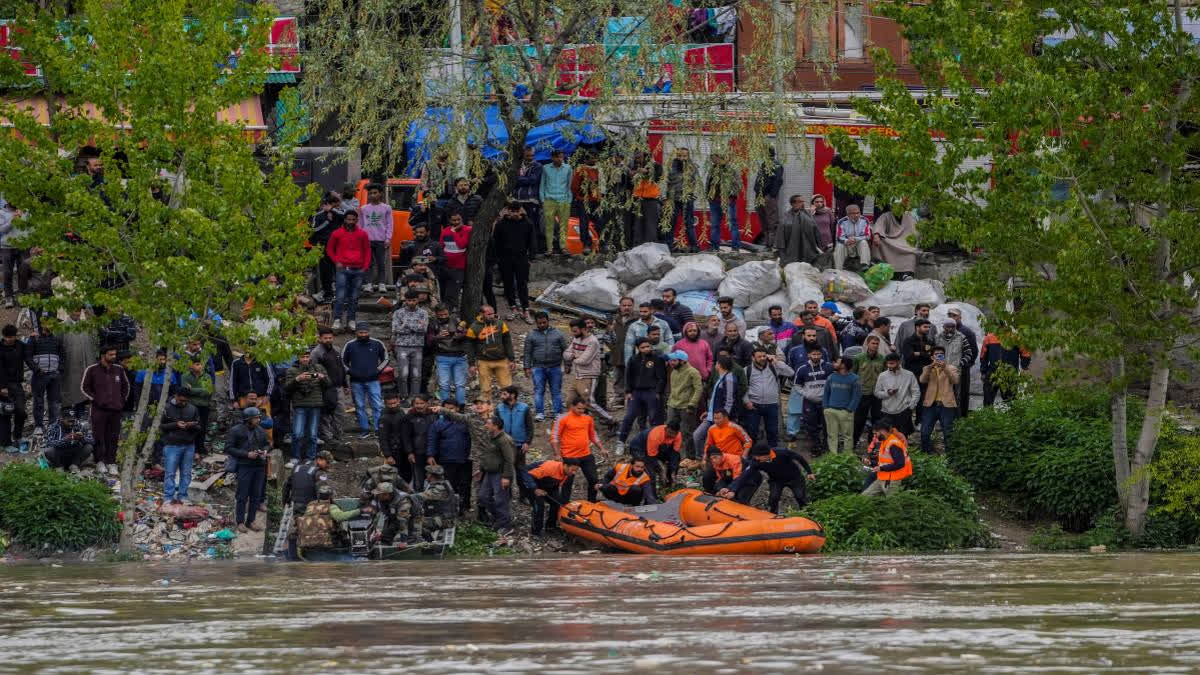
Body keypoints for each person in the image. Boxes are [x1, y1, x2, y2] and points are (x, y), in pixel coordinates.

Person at [722, 443, 814, 513]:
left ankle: (807, 513)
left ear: (766, 455)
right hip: (776, 480)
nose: (756, 459)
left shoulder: (782, 452)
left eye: (758, 457)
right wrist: (732, 489)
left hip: (794, 478)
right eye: (755, 457)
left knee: (800, 496)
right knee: (773, 498)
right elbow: (744, 476)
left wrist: (809, 472)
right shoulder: (756, 462)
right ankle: (773, 515)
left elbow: (799, 458)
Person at [81, 345, 129, 475]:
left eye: (115, 354)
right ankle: (100, 462)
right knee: (99, 436)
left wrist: (121, 401)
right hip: (99, 410)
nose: (114, 357)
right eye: (111, 355)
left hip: (116, 410)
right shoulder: (92, 370)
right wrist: (97, 400)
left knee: (113, 437)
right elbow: (84, 388)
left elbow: (126, 387)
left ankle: (111, 462)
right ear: (103, 355)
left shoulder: (119, 370)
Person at [552, 397, 607, 502]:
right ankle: (564, 504)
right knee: (567, 482)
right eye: (579, 408)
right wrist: (557, 454)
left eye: (583, 409)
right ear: (572, 406)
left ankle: (591, 501)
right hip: (569, 455)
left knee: (593, 479)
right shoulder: (563, 418)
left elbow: (593, 435)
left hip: (586, 454)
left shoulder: (587, 418)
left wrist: (602, 448)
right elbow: (555, 437)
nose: (581, 411)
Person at [561, 319, 613, 426]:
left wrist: (573, 357)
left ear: (583, 329)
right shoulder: (576, 339)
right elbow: (566, 354)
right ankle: (576, 422)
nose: (573, 333)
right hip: (577, 375)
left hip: (589, 376)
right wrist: (574, 356)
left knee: (589, 403)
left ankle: (610, 420)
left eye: (575, 331)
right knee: (570, 401)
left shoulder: (593, 341)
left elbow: (584, 361)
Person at [618, 338, 667, 450]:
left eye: (648, 346)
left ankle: (657, 443)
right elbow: (628, 376)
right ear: (638, 348)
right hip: (636, 392)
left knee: (655, 418)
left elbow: (662, 377)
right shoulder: (633, 359)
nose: (646, 349)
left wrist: (658, 392)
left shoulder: (657, 359)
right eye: (643, 347)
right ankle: (621, 441)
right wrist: (628, 391)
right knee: (629, 417)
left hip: (651, 391)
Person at [227, 407, 270, 532]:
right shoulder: (236, 431)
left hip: (259, 466)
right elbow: (229, 448)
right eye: (256, 418)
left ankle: (251, 520)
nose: (258, 419)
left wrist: (265, 451)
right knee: (242, 495)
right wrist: (246, 454)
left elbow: (267, 443)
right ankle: (240, 522)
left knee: (256, 495)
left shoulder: (260, 430)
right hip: (244, 466)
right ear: (248, 419)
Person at [327, 209, 371, 332]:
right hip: (343, 269)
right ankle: (337, 319)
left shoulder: (363, 234)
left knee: (354, 297)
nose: (350, 222)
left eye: (353, 219)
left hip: (358, 269)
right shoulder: (337, 233)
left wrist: (365, 267)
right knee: (340, 296)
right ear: (344, 219)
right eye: (348, 219)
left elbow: (367, 251)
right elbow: (329, 249)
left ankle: (351, 320)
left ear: (357, 220)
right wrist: (336, 261)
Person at [427, 399, 473, 515]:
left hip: (465, 459)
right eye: (446, 408)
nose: (449, 411)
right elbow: (432, 440)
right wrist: (431, 455)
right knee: (450, 485)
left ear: (457, 409)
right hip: (447, 459)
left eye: (451, 408)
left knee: (465, 484)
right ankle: (451, 508)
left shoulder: (465, 422)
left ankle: (464, 507)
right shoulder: (438, 424)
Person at [742, 346, 793, 449]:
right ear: (753, 358)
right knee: (752, 431)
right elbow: (743, 388)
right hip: (754, 405)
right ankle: (752, 453)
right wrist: (747, 401)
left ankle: (773, 453)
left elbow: (791, 372)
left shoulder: (774, 367)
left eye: (764, 356)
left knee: (773, 431)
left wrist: (776, 361)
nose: (762, 358)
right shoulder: (747, 370)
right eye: (759, 356)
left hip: (772, 404)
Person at [342, 324, 389, 435]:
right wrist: (350, 371)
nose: (363, 335)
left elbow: (386, 359)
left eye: (365, 332)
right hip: (356, 381)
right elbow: (342, 361)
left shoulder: (377, 343)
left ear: (369, 332)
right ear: (356, 333)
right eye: (360, 333)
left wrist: (377, 371)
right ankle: (364, 429)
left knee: (377, 405)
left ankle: (378, 430)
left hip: (374, 380)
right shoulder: (350, 345)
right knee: (359, 406)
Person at [284, 351, 330, 465]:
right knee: (297, 433)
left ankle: (311, 458)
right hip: (299, 405)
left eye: (307, 356)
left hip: (315, 404)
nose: (305, 359)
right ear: (298, 357)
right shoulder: (292, 370)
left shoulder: (318, 368)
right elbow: (286, 388)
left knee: (313, 434)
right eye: (302, 357)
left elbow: (329, 384)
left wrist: (322, 377)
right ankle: (295, 457)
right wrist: (297, 379)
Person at [466, 305, 516, 403]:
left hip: (501, 360)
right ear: (481, 314)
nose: (492, 316)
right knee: (485, 389)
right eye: (489, 314)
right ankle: (487, 413)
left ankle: (510, 408)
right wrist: (471, 364)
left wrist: (511, 359)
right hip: (483, 361)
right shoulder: (474, 327)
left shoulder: (501, 324)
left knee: (508, 388)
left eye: (493, 313)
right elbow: (469, 346)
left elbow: (507, 342)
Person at [493, 203, 535, 318]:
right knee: (508, 283)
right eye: (512, 211)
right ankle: (513, 307)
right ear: (508, 211)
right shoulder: (501, 224)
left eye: (517, 211)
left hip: (521, 257)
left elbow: (532, 241)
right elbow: (496, 242)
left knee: (522, 283)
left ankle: (525, 308)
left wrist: (531, 257)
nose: (515, 213)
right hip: (505, 258)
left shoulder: (527, 223)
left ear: (521, 211)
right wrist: (497, 258)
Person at [159, 386, 200, 504]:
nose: (183, 403)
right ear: (175, 396)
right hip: (171, 445)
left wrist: (191, 425)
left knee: (186, 473)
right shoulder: (166, 408)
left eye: (185, 401)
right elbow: (160, 426)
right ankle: (168, 497)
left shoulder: (193, 409)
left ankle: (183, 495)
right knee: (170, 473)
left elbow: (199, 427)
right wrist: (175, 425)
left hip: (188, 445)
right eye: (181, 400)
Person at [477, 414, 516, 532]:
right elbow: (488, 455)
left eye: (488, 424)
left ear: (496, 426)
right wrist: (481, 469)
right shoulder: (491, 437)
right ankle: (499, 518)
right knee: (483, 497)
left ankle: (505, 525)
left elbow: (509, 459)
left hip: (500, 474)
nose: (486, 426)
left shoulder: (505, 440)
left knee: (501, 499)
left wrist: (506, 477)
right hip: (489, 473)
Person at [524, 312, 566, 422]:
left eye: (544, 322)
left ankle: (557, 413)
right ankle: (539, 413)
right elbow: (527, 352)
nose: (542, 325)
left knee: (556, 391)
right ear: (536, 323)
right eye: (539, 323)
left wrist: (568, 365)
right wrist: (527, 367)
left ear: (548, 321)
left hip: (555, 367)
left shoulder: (558, 334)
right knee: (538, 391)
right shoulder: (531, 335)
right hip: (538, 367)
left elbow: (565, 351)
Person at [788, 346, 833, 450]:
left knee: (827, 425)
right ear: (808, 355)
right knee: (811, 426)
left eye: (818, 354)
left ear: (822, 355)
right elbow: (796, 385)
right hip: (809, 402)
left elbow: (834, 382)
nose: (816, 356)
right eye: (814, 354)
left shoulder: (829, 367)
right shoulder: (802, 369)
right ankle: (815, 447)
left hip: (825, 402)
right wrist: (806, 394)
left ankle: (827, 446)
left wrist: (829, 394)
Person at [390, 290, 429, 402]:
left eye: (413, 300)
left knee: (416, 374)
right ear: (405, 300)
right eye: (409, 300)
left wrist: (406, 325)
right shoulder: (398, 312)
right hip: (401, 346)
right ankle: (403, 396)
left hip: (417, 346)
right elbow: (396, 329)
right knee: (403, 373)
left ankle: (415, 397)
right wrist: (415, 326)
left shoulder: (423, 313)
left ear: (417, 300)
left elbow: (423, 330)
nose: (411, 302)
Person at [919, 346, 959, 454]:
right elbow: (922, 380)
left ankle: (950, 459)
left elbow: (955, 381)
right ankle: (927, 455)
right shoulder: (927, 368)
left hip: (947, 405)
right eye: (936, 354)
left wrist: (944, 367)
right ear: (932, 356)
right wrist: (931, 366)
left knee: (948, 433)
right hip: (930, 404)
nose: (939, 356)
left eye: (941, 354)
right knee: (925, 433)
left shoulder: (951, 368)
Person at [693, 355, 738, 453]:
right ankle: (702, 458)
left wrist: (724, 417)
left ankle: (709, 460)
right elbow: (715, 398)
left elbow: (729, 401)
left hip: (720, 418)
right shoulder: (721, 378)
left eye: (717, 363)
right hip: (712, 415)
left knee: (712, 440)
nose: (715, 365)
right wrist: (709, 412)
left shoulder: (729, 378)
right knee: (697, 436)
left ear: (720, 365)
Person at [524, 458, 579, 535]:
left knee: (557, 503)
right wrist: (535, 489)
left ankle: (550, 526)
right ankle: (536, 531)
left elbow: (557, 485)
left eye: (576, 471)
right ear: (565, 466)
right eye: (572, 470)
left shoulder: (567, 473)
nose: (574, 473)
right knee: (539, 506)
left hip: (547, 484)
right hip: (532, 482)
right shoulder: (550, 468)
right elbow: (527, 475)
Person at [664, 350, 701, 459]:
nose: (671, 362)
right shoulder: (674, 372)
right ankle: (671, 453)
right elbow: (672, 388)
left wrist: (692, 404)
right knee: (670, 429)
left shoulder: (693, 372)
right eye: (670, 360)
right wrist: (669, 402)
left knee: (687, 432)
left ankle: (690, 456)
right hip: (673, 404)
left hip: (686, 407)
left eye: (674, 360)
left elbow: (698, 389)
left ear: (683, 361)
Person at [310, 327, 346, 441]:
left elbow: (341, 368)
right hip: (324, 388)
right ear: (320, 338)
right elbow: (311, 371)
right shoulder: (316, 353)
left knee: (340, 412)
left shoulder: (337, 349)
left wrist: (345, 384)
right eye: (325, 338)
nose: (328, 340)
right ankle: (327, 436)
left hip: (338, 387)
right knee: (325, 413)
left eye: (330, 338)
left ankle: (339, 434)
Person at [851, 335, 886, 445]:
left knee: (877, 419)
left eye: (877, 344)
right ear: (867, 344)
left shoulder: (882, 359)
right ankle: (853, 443)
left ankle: (872, 443)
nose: (875, 346)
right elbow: (853, 374)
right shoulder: (858, 358)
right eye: (873, 343)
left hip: (877, 393)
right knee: (859, 420)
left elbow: (885, 375)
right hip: (862, 393)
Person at [359, 183, 394, 293]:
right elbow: (361, 224)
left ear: (380, 194)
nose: (372, 195)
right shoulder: (364, 209)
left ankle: (382, 283)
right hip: (367, 240)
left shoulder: (386, 208)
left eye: (375, 193)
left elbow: (389, 224)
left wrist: (388, 238)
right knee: (368, 263)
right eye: (370, 193)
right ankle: (369, 283)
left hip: (381, 240)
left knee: (381, 263)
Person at [822, 356, 861, 453]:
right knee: (832, 435)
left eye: (838, 362)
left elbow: (856, 396)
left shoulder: (854, 379)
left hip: (845, 412)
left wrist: (849, 410)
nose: (835, 364)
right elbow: (826, 393)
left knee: (847, 436)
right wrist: (826, 407)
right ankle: (833, 456)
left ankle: (847, 456)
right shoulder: (831, 377)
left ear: (843, 365)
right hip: (831, 410)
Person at [981, 332, 1031, 406]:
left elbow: (983, 356)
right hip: (1008, 373)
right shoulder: (1015, 337)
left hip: (996, 372)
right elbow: (1026, 353)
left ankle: (989, 415)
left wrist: (983, 371)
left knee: (989, 401)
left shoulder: (989, 337)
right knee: (1011, 401)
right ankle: (1012, 415)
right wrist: (1024, 365)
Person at [875, 352, 920, 435]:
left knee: (903, 436)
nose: (889, 366)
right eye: (888, 363)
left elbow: (916, 392)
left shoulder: (909, 374)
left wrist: (911, 406)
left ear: (899, 362)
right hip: (887, 411)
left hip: (904, 410)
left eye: (892, 363)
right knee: (887, 436)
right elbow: (877, 393)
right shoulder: (882, 375)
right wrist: (887, 393)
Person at [944, 308, 979, 416]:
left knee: (962, 393)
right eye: (949, 315)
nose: (952, 318)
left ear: (960, 317)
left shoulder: (967, 332)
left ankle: (962, 417)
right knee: (948, 392)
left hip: (962, 368)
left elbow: (973, 350)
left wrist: (966, 364)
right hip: (947, 368)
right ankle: (949, 416)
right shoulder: (944, 333)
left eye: (954, 316)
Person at [871, 207, 921, 281]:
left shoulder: (910, 216)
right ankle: (882, 269)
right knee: (879, 241)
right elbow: (879, 225)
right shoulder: (886, 216)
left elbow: (915, 231)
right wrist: (876, 235)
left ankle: (907, 274)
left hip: (906, 243)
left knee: (911, 253)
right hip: (890, 242)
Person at [666, 148, 701, 251]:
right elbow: (666, 182)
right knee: (671, 223)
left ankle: (694, 246)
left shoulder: (692, 167)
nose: (682, 158)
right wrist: (665, 197)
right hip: (673, 199)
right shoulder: (670, 167)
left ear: (688, 156)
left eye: (684, 156)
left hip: (687, 199)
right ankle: (668, 245)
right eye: (679, 155)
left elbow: (698, 182)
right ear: (676, 156)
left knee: (689, 223)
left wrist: (694, 195)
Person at [862, 425, 912, 496]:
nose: (875, 436)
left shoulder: (893, 444)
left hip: (892, 480)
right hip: (883, 477)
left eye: (876, 434)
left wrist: (881, 468)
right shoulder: (885, 442)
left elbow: (900, 464)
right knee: (864, 497)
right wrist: (871, 463)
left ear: (883, 431)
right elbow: (885, 462)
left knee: (892, 504)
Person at [631, 420, 683, 487]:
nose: (672, 435)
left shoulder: (678, 435)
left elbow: (674, 454)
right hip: (639, 447)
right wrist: (661, 469)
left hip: (656, 446)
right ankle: (646, 489)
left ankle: (668, 483)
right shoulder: (656, 436)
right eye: (670, 433)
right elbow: (651, 457)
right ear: (666, 429)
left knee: (675, 460)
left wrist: (673, 470)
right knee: (649, 470)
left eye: (674, 434)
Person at [399, 394, 436, 488]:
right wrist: (410, 452)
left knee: (435, 479)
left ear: (427, 404)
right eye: (417, 403)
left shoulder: (434, 415)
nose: (419, 406)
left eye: (422, 403)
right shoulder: (408, 417)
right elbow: (405, 437)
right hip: (417, 453)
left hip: (434, 453)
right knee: (418, 480)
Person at [706, 152, 741, 251]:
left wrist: (730, 195)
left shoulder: (731, 169)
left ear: (721, 158)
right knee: (715, 224)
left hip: (728, 201)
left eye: (715, 158)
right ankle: (714, 247)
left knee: (732, 223)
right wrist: (708, 196)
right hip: (714, 201)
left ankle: (735, 247)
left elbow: (738, 185)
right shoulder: (712, 169)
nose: (713, 161)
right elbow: (708, 183)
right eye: (712, 159)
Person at [539, 151, 572, 255]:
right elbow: (542, 184)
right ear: (552, 158)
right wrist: (543, 199)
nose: (560, 159)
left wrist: (569, 200)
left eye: (561, 157)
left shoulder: (568, 168)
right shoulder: (546, 168)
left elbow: (569, 185)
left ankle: (563, 247)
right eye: (557, 157)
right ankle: (550, 249)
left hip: (564, 200)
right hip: (549, 200)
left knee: (564, 225)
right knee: (549, 225)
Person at [282, 449, 333, 515]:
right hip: (309, 506)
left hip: (294, 505)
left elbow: (286, 486)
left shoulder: (296, 467)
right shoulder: (319, 472)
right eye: (327, 463)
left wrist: (285, 503)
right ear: (320, 459)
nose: (328, 466)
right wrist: (331, 504)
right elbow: (324, 492)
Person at [438, 212, 471, 310]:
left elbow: (462, 244)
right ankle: (443, 312)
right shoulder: (445, 231)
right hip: (445, 266)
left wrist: (454, 232)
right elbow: (441, 246)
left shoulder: (467, 229)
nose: (456, 222)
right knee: (443, 290)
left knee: (454, 292)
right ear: (449, 220)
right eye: (454, 220)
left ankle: (452, 311)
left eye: (458, 220)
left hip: (458, 267)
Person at [513, 146, 544, 253]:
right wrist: (519, 179)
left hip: (531, 200)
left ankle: (533, 251)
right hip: (517, 200)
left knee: (532, 226)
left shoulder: (538, 166)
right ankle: (521, 249)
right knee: (517, 227)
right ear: (523, 155)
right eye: (528, 155)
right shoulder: (517, 165)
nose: (530, 157)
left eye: (532, 155)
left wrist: (517, 179)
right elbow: (511, 179)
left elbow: (532, 180)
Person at [571, 154, 603, 254]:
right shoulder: (580, 169)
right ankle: (586, 244)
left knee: (600, 222)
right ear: (586, 159)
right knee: (584, 224)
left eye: (595, 157)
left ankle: (602, 243)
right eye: (592, 157)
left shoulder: (600, 169)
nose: (594, 159)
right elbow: (574, 186)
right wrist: (580, 196)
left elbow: (603, 185)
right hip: (584, 200)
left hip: (597, 200)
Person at [630, 151, 664, 246]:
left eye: (639, 158)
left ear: (646, 157)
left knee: (650, 223)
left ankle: (651, 245)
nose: (637, 160)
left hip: (651, 198)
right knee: (638, 223)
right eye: (636, 158)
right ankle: (637, 245)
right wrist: (635, 172)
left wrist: (647, 172)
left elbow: (658, 178)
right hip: (638, 198)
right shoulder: (637, 166)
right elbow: (631, 177)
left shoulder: (656, 166)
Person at [778, 194, 822, 265]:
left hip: (807, 246)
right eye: (800, 201)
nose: (803, 203)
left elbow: (814, 228)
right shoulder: (786, 216)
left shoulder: (807, 214)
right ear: (793, 203)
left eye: (803, 201)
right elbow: (781, 232)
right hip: (790, 247)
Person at [754, 148, 784, 247]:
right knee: (764, 221)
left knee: (771, 221)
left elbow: (778, 181)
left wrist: (771, 195)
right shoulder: (764, 164)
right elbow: (759, 181)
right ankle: (767, 244)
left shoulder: (777, 165)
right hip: (760, 197)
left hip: (767, 196)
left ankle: (772, 245)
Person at [834, 204, 872, 272]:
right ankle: (838, 269)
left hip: (858, 245)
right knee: (839, 246)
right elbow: (839, 237)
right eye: (853, 213)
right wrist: (847, 240)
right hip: (847, 245)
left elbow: (868, 235)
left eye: (858, 213)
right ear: (848, 214)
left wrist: (855, 239)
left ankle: (864, 265)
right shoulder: (842, 221)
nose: (856, 215)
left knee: (863, 242)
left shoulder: (865, 220)